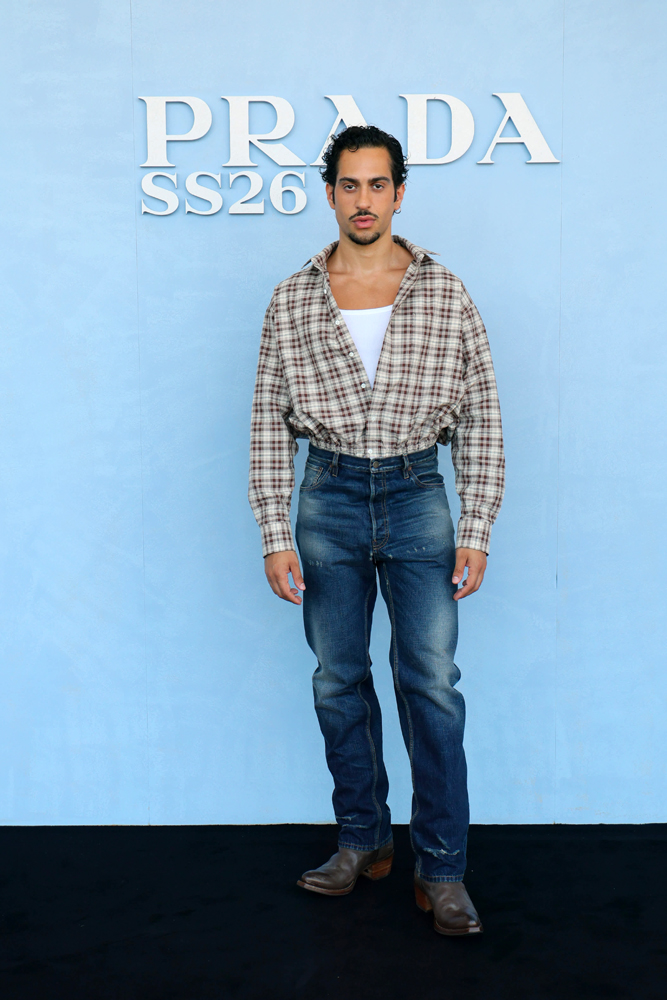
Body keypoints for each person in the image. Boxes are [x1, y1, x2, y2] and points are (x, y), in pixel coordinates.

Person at [248, 125, 505, 936]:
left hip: (415, 493)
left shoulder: (444, 291)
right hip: (325, 498)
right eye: (349, 185)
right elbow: (266, 422)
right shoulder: (292, 297)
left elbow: (481, 415)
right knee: (337, 679)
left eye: (377, 184)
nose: (364, 201)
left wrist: (477, 525)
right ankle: (363, 841)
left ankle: (443, 868)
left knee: (430, 683)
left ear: (398, 192)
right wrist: (273, 532)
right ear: (330, 193)